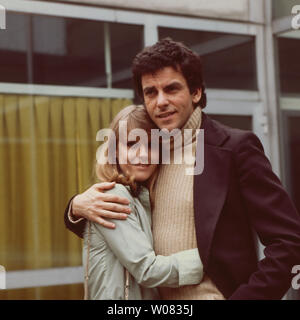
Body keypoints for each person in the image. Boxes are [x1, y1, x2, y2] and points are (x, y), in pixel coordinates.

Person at [65, 38, 300, 300]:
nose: (161, 101)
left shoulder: (234, 149)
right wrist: (75, 208)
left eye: (171, 89)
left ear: (196, 92)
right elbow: (124, 227)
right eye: (151, 92)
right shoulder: (150, 157)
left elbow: (289, 242)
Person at [83, 104, 203, 300]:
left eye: (151, 145)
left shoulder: (142, 196)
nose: (143, 154)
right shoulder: (114, 194)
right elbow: (147, 270)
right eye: (131, 144)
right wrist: (209, 259)